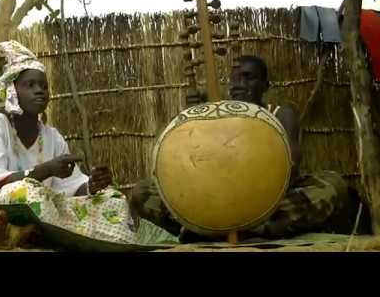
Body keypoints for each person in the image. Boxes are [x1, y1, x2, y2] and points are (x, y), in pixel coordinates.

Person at [130, 55, 349, 241]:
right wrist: (194, 118)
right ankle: (234, 227)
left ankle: (215, 230)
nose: (238, 84)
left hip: (270, 201)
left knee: (333, 185)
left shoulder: (281, 114)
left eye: (248, 78)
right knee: (142, 192)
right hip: (218, 199)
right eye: (234, 79)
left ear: (265, 85)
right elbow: (190, 164)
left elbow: (291, 165)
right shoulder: (217, 117)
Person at [0, 40, 138, 243]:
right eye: (30, 85)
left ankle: (95, 243)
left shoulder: (52, 136)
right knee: (26, 192)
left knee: (111, 199)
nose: (40, 91)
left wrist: (92, 185)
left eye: (44, 86)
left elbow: (71, 188)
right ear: (12, 91)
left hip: (47, 210)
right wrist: (45, 170)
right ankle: (59, 238)